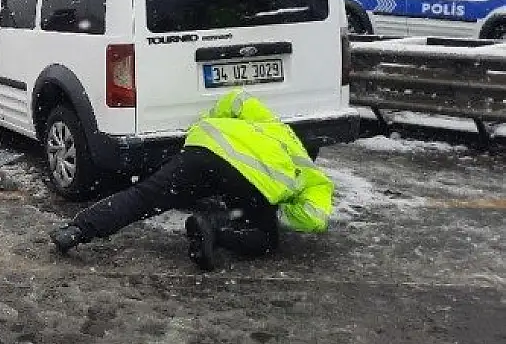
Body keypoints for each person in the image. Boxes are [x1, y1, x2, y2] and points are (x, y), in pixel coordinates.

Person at [49, 89, 334, 270]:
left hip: (205, 151)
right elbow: (314, 218)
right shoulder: (314, 178)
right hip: (250, 184)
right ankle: (214, 231)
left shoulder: (272, 125)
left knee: (144, 197)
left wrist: (207, 122)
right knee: (265, 238)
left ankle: (76, 230)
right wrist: (278, 211)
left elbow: (236, 99)